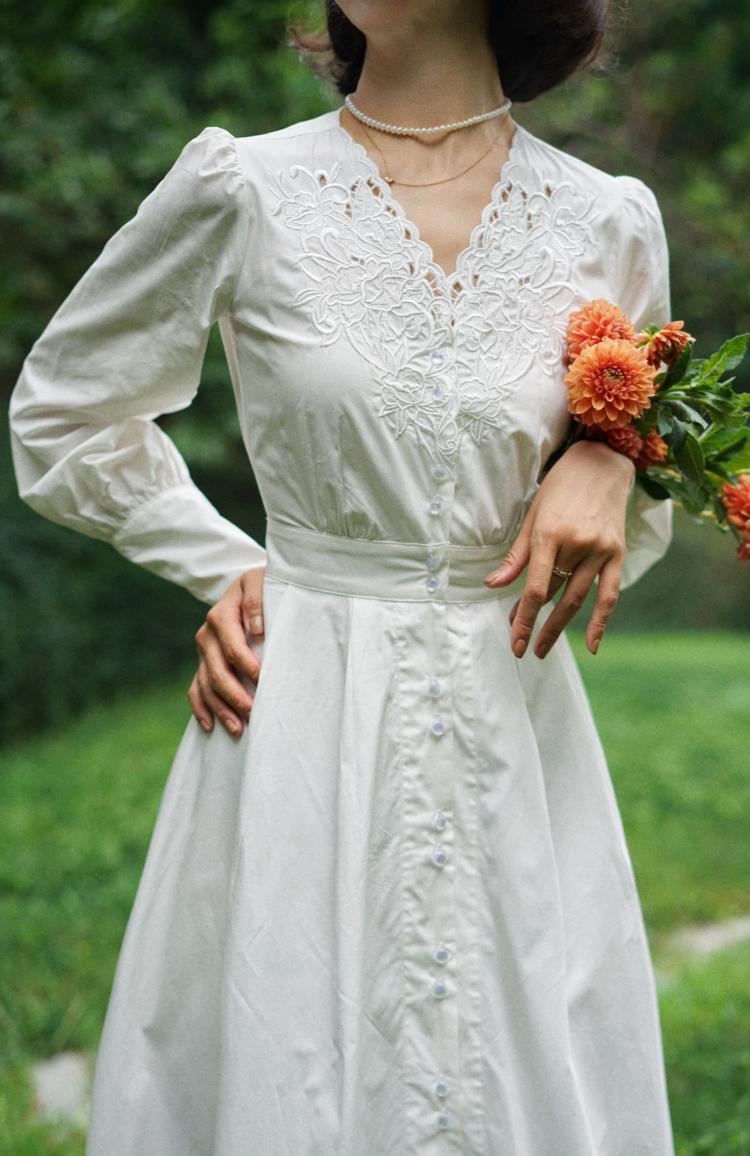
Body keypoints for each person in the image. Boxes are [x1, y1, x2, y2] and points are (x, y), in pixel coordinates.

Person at [8, 0, 676, 1152]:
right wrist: (224, 565)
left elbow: (627, 521)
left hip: (511, 726)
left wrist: (609, 466)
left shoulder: (607, 220)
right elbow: (64, 413)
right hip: (294, 711)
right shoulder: (242, 189)